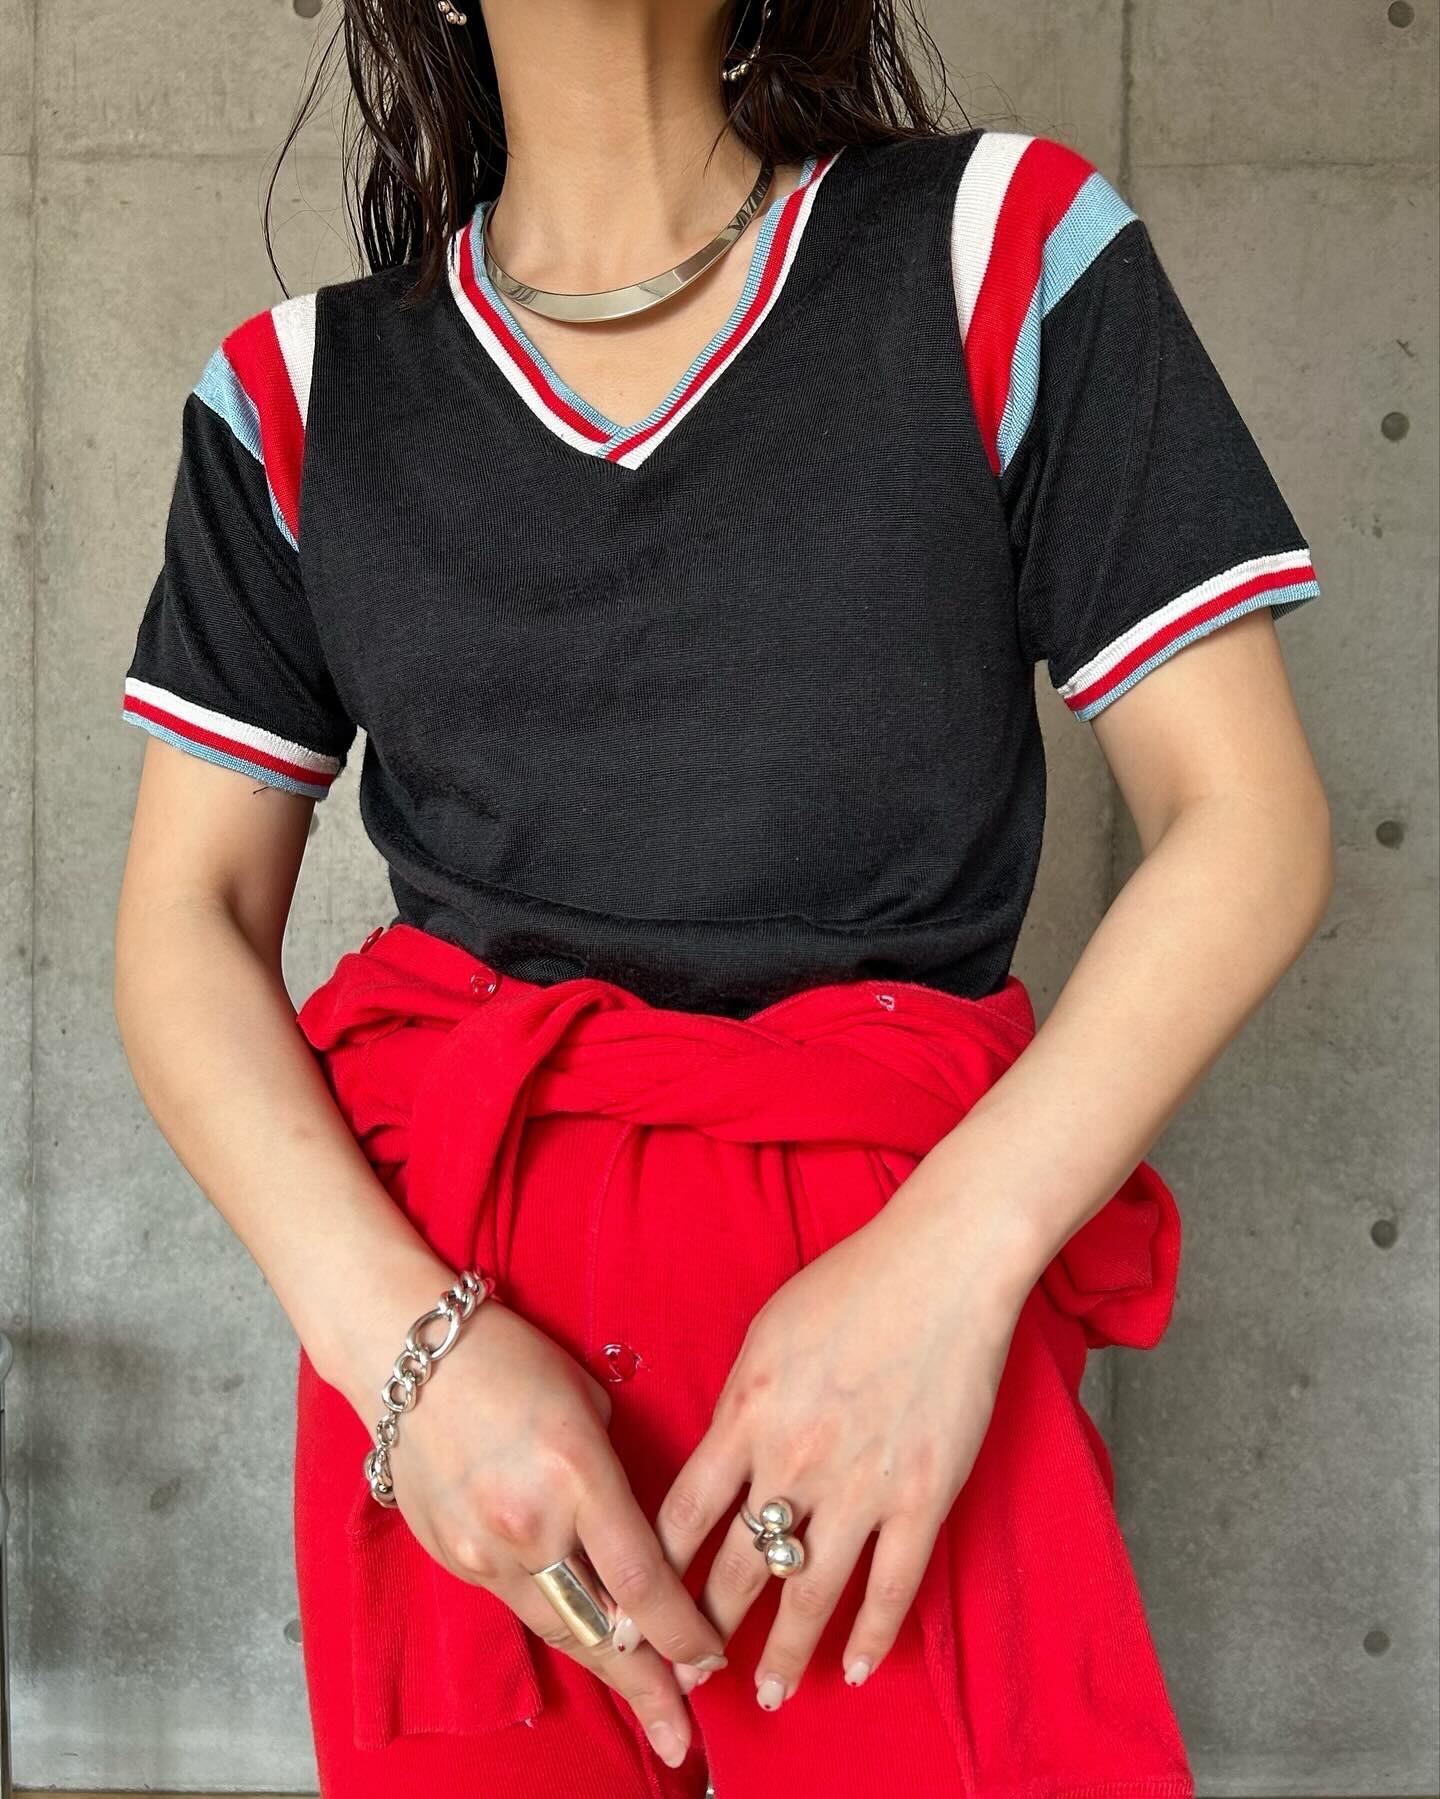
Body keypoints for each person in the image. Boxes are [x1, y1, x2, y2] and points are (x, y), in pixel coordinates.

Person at [111, 2, 1333, 1795]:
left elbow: (1247, 820)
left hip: (900, 1358)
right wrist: (406, 1364)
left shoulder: (996, 256)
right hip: (470, 1384)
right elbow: (184, 926)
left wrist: (944, 1283)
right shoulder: (297, 395)